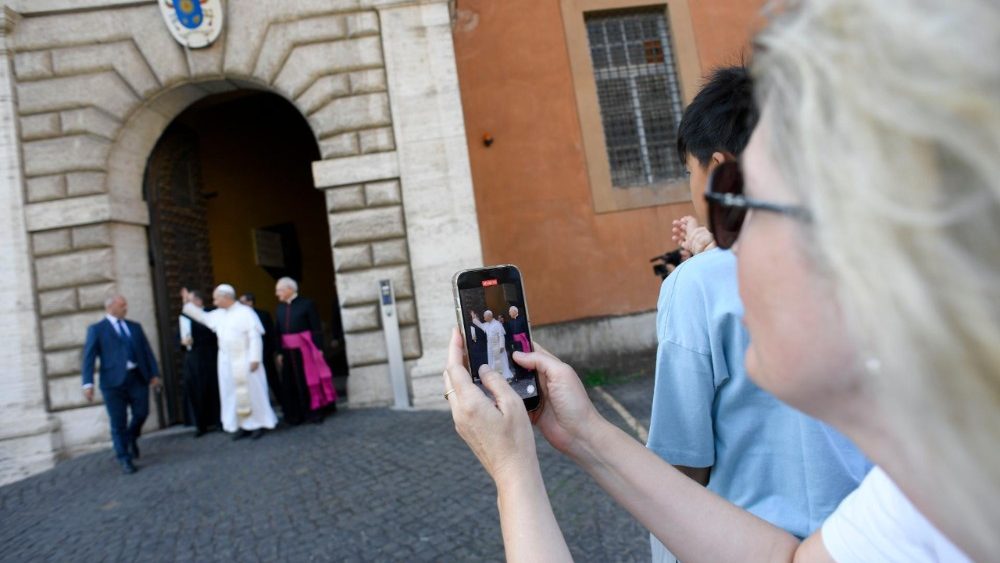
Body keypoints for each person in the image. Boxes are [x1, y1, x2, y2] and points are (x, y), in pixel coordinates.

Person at [442, 0, 998, 560]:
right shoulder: (938, 491)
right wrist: (580, 432)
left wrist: (513, 474)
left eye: (740, 206)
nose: (721, 249)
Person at [647, 65, 869, 563]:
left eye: (689, 173)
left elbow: (681, 463)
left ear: (721, 169)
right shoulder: (868, 261)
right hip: (863, 541)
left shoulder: (696, 286)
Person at [182, 285, 277, 440]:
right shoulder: (219, 314)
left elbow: (254, 337)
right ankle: (243, 424)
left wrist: (255, 358)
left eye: (216, 298)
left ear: (226, 297)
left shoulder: (245, 312)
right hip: (226, 360)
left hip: (245, 357)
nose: (214, 301)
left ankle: (258, 424)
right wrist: (187, 303)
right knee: (232, 394)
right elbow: (202, 317)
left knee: (252, 392)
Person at [81, 294, 161, 474]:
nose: (126, 308)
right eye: (122, 305)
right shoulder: (97, 329)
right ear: (110, 307)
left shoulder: (135, 327)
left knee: (142, 412)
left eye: (125, 305)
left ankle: (131, 437)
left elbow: (147, 351)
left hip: (137, 378)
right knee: (118, 422)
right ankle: (124, 458)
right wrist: (87, 384)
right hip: (112, 383)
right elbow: (88, 358)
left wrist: (154, 373)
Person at [274, 277, 337, 424]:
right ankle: (295, 415)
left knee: (309, 381)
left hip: (305, 351)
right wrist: (279, 352)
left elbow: (316, 328)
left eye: (279, 290)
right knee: (290, 383)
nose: (277, 294)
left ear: (289, 289)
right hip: (288, 352)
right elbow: (277, 331)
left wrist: (319, 347)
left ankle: (313, 412)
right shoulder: (280, 308)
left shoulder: (307, 304)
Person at [180, 288, 220, 437]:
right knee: (197, 390)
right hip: (195, 358)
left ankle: (218, 420)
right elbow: (181, 338)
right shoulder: (185, 317)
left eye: (189, 301)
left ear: (199, 301)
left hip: (211, 355)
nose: (187, 304)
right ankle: (200, 424)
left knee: (215, 388)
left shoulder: (210, 312)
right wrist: (183, 342)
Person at [239, 292, 280, 406]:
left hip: (265, 353)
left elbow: (271, 335)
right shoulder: (239, 317)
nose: (240, 305)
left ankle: (282, 402)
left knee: (273, 379)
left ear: (250, 302)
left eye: (242, 302)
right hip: (248, 356)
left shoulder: (263, 315)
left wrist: (270, 351)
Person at [470, 310, 514, 382]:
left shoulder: (497, 324)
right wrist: (473, 318)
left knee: (501, 362)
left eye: (485, 317)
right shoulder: (487, 325)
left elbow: (501, 336)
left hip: (498, 346)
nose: (484, 318)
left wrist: (502, 346)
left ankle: (506, 377)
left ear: (489, 316)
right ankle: (496, 377)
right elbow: (480, 325)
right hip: (490, 347)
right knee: (492, 362)